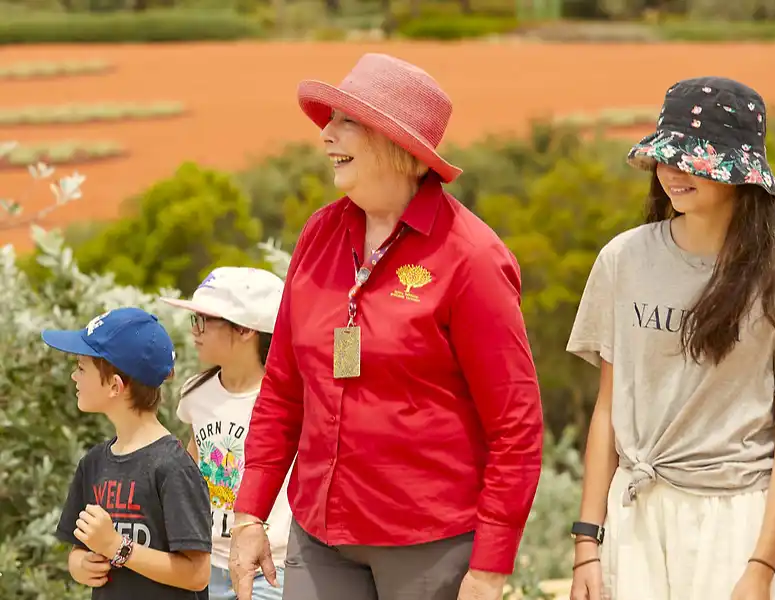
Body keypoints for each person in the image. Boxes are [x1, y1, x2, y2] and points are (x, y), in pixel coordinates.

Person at [227, 52, 544, 600]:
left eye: (347, 121)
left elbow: (516, 426)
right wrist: (250, 514)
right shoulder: (319, 234)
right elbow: (282, 387)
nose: (326, 134)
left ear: (402, 150)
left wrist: (490, 567)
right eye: (331, 120)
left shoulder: (472, 259)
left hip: (430, 546)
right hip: (318, 537)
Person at [567, 76, 775, 600]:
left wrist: (761, 567)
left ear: (741, 172)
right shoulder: (623, 259)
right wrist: (588, 542)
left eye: (694, 159)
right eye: (666, 156)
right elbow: (609, 409)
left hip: (737, 524)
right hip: (637, 519)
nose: (672, 171)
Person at [44, 306, 213, 600]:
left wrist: (118, 547)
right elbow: (76, 552)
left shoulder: (174, 468)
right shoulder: (93, 463)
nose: (74, 376)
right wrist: (80, 566)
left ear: (115, 385)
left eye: (82, 367)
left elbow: (197, 574)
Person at [161, 266, 292, 600]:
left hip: (272, 570)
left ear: (247, 329)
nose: (195, 331)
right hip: (207, 565)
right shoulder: (195, 392)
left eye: (204, 320)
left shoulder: (287, 400)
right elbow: (191, 472)